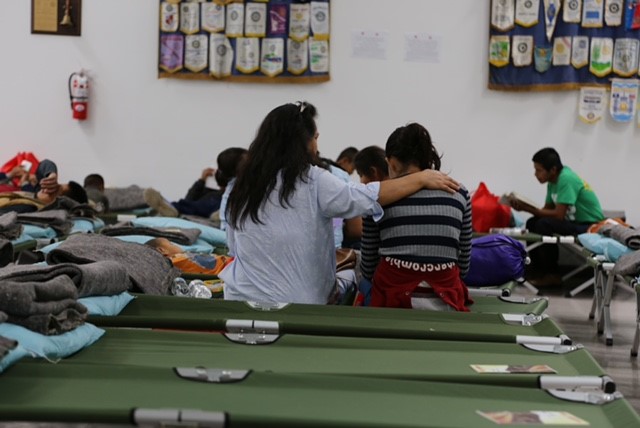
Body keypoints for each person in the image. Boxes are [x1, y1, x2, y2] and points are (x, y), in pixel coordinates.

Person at [220, 102, 459, 305]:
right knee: (351, 273)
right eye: (314, 138)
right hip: (299, 305)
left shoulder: (240, 187)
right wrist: (421, 177)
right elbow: (366, 197)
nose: (317, 145)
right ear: (301, 144)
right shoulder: (312, 180)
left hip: (240, 298)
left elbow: (233, 249)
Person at [360, 123, 473, 311]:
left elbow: (368, 266)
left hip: (392, 302)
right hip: (446, 301)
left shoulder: (379, 197)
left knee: (359, 279)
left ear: (392, 163)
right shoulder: (459, 193)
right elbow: (464, 264)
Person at [509, 147, 604, 286]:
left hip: (589, 225)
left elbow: (558, 216)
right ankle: (536, 270)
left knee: (543, 224)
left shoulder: (566, 179)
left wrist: (528, 208)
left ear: (552, 170)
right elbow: (545, 211)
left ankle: (552, 274)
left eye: (539, 170)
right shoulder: (552, 182)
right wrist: (525, 208)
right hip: (574, 222)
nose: (535, 174)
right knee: (532, 223)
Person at [144, 147, 247, 219]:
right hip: (206, 205)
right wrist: (201, 181)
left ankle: (173, 207)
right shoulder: (210, 191)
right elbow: (189, 200)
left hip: (224, 203)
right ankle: (171, 207)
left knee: (207, 205)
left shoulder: (241, 192)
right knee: (195, 205)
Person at [146, 237, 233, 275]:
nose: (175, 245)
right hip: (228, 268)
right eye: (171, 244)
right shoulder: (172, 261)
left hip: (229, 264)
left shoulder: (180, 257)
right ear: (162, 250)